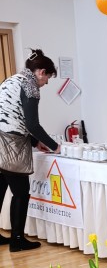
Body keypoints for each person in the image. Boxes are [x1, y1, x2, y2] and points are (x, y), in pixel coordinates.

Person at [0, 49, 60, 252]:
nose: (46, 83)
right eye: (48, 78)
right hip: (11, 145)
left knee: (0, 187)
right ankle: (17, 239)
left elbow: (13, 115)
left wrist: (35, 143)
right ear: (41, 72)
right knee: (21, 192)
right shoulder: (30, 86)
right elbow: (32, 124)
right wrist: (54, 146)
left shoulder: (12, 80)